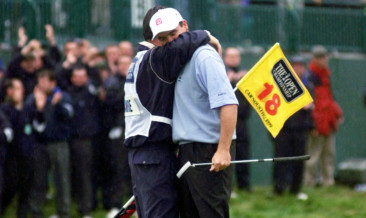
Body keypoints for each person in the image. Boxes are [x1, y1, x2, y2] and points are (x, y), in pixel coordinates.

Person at [124, 6, 219, 218]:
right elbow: (182, 44)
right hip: (153, 153)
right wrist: (207, 35)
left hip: (144, 154)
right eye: (164, 37)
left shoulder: (140, 59)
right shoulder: (154, 58)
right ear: (153, 38)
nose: (170, 42)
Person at [150, 8, 238, 218]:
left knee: (210, 213)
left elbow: (228, 104)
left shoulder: (204, 56)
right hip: (188, 150)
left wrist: (223, 149)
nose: (170, 40)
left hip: (210, 151)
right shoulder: (178, 60)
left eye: (173, 33)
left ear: (185, 26)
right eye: (163, 38)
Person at [26, 69, 73, 218]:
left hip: (59, 143)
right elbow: (27, 114)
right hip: (39, 144)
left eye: (44, 81)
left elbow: (69, 114)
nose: (41, 84)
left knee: (62, 179)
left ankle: (63, 212)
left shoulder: (62, 96)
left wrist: (55, 105)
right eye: (39, 81)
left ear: (52, 82)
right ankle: (36, 211)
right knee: (38, 179)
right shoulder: (33, 98)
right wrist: (39, 107)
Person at [271, 56, 313, 200]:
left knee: (298, 161)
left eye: (300, 66)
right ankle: (278, 188)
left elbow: (310, 106)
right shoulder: (281, 84)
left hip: (301, 129)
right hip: (284, 129)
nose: (297, 69)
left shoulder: (308, 85)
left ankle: (296, 190)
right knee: (280, 160)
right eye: (294, 66)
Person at [304, 45, 343, 187]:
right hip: (317, 122)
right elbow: (314, 103)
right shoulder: (310, 77)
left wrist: (336, 114)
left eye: (324, 56)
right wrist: (312, 123)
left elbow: (328, 99)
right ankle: (309, 183)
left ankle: (328, 182)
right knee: (313, 155)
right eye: (320, 57)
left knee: (329, 154)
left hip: (327, 121)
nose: (324, 59)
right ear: (314, 59)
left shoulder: (324, 75)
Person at [0, 78, 37, 217]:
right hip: (12, 157)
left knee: (26, 191)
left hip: (28, 156)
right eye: (17, 88)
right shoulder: (5, 109)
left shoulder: (27, 108)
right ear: (9, 91)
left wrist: (39, 110)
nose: (21, 91)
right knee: (9, 189)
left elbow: (36, 127)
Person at [68, 64, 99, 218]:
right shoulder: (68, 93)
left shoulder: (91, 93)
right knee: (73, 174)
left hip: (86, 139)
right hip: (70, 138)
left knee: (85, 174)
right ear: (72, 78)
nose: (79, 79)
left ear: (86, 78)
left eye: (82, 76)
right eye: (77, 76)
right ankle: (77, 204)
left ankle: (86, 208)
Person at [224, 47, 252, 193]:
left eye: (236, 56)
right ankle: (229, 186)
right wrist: (228, 81)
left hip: (241, 121)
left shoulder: (244, 76)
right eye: (230, 56)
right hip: (224, 122)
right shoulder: (221, 74)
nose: (233, 59)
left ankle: (244, 185)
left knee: (243, 153)